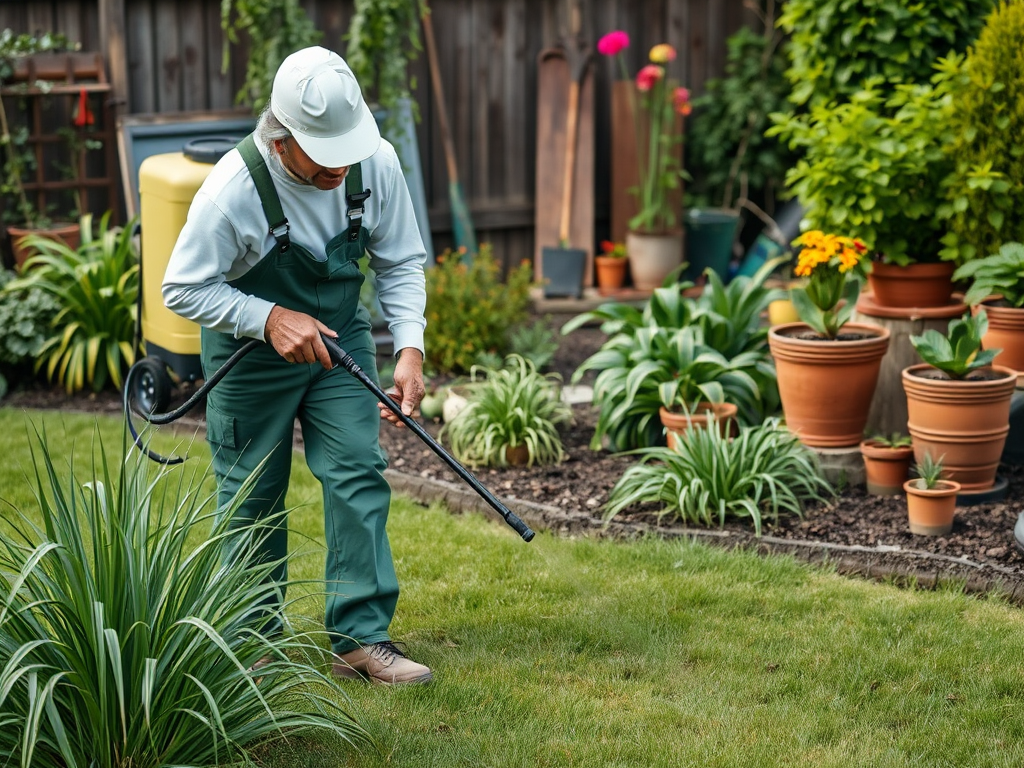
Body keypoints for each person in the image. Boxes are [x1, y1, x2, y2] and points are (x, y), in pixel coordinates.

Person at [162, 46, 431, 685]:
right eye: (323, 151)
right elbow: (182, 288)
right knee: (251, 495)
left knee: (359, 473)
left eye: (347, 146)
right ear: (281, 142)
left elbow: (400, 259)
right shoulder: (233, 189)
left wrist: (411, 346)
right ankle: (252, 645)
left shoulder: (376, 163)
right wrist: (268, 318)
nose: (340, 164)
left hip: (341, 342)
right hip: (250, 358)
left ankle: (361, 639)